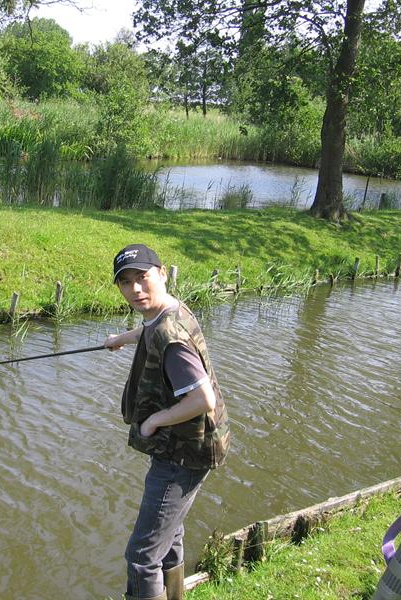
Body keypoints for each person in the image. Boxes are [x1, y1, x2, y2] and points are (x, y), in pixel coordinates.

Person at [104, 244, 230, 600]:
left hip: (182, 455)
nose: (135, 289)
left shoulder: (170, 337)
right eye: (125, 282)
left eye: (142, 278)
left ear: (161, 273)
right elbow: (151, 328)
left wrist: (153, 421)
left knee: (141, 556)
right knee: (169, 533)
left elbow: (202, 398)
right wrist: (120, 339)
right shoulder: (170, 308)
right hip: (189, 446)